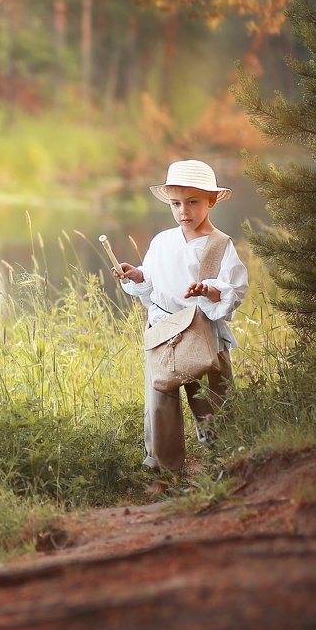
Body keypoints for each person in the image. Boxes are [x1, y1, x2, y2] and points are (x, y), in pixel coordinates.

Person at [113, 159, 249, 486]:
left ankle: (224, 460)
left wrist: (209, 290)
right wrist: (138, 275)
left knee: (213, 398)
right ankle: (165, 471)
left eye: (192, 202)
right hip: (165, 333)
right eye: (176, 204)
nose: (183, 211)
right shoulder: (162, 242)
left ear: (211, 201)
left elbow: (234, 289)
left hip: (205, 332)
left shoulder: (219, 244)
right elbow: (152, 282)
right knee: (161, 400)